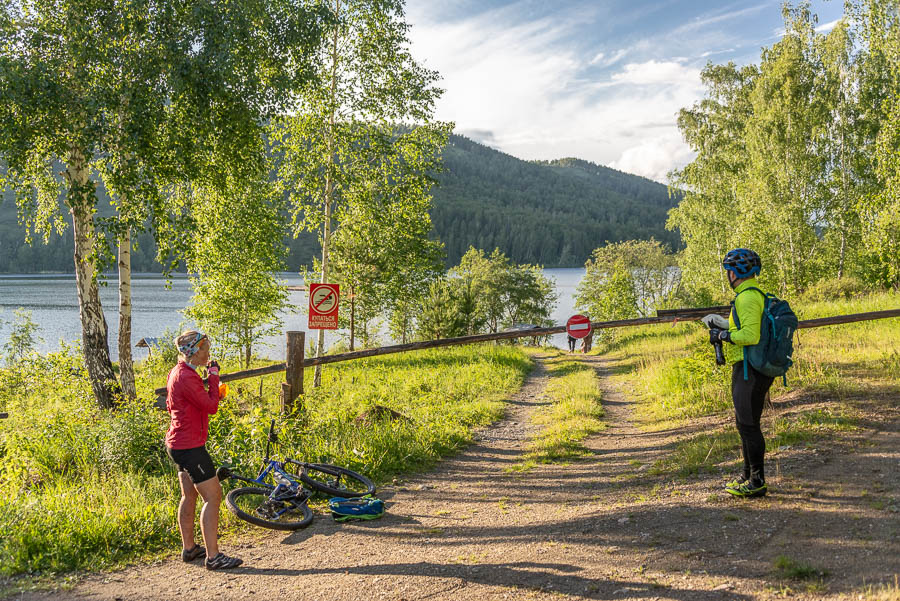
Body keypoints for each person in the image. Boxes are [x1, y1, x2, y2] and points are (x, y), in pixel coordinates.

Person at [165, 330, 243, 570]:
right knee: (213, 495)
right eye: (205, 348)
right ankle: (214, 556)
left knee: (189, 495)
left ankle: (189, 549)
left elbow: (185, 404)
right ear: (194, 351)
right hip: (190, 447)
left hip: (178, 443)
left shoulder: (179, 372)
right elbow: (210, 407)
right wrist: (214, 378)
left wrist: (210, 387)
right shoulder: (186, 377)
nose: (208, 353)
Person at [702, 249, 774, 499]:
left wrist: (723, 335)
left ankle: (757, 481)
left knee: (748, 425)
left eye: (729, 271)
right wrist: (724, 323)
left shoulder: (747, 298)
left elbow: (750, 336)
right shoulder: (750, 294)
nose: (728, 275)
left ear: (736, 273)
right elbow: (745, 325)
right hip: (747, 367)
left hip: (749, 369)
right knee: (744, 424)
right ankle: (747, 476)